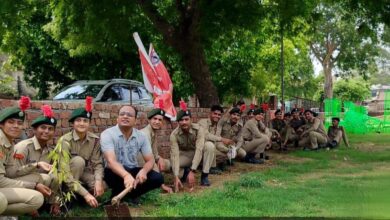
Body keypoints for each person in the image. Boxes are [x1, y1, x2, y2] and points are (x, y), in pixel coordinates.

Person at [101, 105, 163, 205]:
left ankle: (130, 195)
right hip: (114, 171)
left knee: (158, 178)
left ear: (135, 120)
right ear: (117, 119)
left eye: (129, 115)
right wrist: (126, 175)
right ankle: (121, 194)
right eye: (122, 114)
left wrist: (144, 171)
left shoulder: (141, 136)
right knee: (112, 173)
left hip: (132, 170)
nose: (125, 116)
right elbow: (111, 161)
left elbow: (150, 160)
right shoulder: (107, 134)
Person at [6, 105, 60, 215]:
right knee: (42, 177)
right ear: (34, 130)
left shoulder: (50, 151)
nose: (46, 131)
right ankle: (30, 206)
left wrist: (57, 201)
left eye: (50, 129)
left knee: (55, 175)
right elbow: (13, 173)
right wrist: (36, 165)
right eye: (43, 127)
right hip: (18, 182)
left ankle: (51, 204)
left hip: (38, 183)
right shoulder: (24, 147)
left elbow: (53, 174)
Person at [0, 96, 45, 215]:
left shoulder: (9, 143)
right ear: (1, 124)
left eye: (19, 123)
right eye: (11, 122)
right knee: (1, 201)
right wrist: (33, 186)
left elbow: (10, 172)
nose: (16, 126)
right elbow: (0, 181)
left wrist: (35, 165)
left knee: (37, 198)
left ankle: (5, 214)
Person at [59, 97, 104, 208]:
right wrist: (87, 194)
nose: (82, 123)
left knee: (102, 184)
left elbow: (97, 163)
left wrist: (98, 181)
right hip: (66, 176)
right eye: (78, 120)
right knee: (78, 161)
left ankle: (79, 198)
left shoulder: (94, 140)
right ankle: (66, 197)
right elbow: (64, 172)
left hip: (83, 173)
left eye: (85, 121)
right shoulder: (65, 140)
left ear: (89, 123)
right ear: (73, 123)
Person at [170, 101, 214, 192]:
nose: (184, 122)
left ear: (191, 119)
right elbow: (175, 155)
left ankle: (204, 176)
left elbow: (199, 149)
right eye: (181, 120)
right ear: (178, 122)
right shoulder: (174, 134)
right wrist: (176, 176)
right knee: (169, 165)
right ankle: (184, 173)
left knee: (209, 146)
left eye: (186, 119)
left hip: (199, 154)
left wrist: (193, 171)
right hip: (185, 155)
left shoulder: (199, 130)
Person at [138, 105, 173, 193]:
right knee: (158, 177)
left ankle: (181, 175)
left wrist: (159, 158)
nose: (157, 122)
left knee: (168, 163)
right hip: (141, 165)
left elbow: (154, 154)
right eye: (155, 119)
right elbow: (149, 160)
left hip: (149, 162)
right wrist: (161, 183)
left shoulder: (153, 132)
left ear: (162, 122)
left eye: (160, 120)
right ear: (149, 120)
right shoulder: (145, 134)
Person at [198, 105, 232, 174]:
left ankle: (214, 165)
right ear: (210, 113)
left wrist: (228, 150)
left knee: (224, 154)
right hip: (200, 148)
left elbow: (217, 142)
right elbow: (206, 135)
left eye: (219, 115)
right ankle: (209, 168)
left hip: (210, 148)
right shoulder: (203, 122)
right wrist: (222, 139)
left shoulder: (215, 126)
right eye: (215, 114)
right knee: (210, 145)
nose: (217, 116)